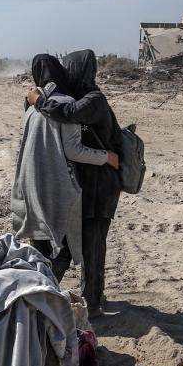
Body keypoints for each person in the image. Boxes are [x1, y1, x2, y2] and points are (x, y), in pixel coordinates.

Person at [10, 53, 117, 366]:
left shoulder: (40, 103)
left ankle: (46, 295)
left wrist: (36, 100)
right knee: (69, 249)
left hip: (32, 188)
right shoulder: (71, 103)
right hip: (68, 189)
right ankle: (49, 299)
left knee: (47, 247)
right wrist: (106, 157)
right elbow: (73, 147)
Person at [27, 50, 121, 319]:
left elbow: (67, 113)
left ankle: (93, 304)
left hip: (101, 184)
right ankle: (88, 298)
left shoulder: (93, 100)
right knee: (78, 243)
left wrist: (37, 101)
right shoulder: (78, 97)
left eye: (70, 68)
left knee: (92, 244)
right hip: (84, 184)